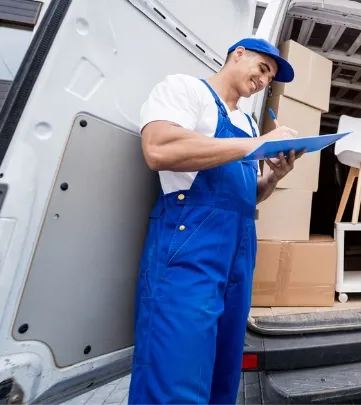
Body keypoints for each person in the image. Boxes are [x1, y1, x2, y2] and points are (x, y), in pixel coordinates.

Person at [128, 37, 304, 404]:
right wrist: (254, 147)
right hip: (189, 242)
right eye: (262, 69)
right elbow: (159, 148)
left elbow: (247, 194)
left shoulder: (248, 124)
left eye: (269, 78)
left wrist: (273, 176)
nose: (263, 82)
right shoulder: (185, 89)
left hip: (239, 248)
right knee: (175, 369)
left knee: (223, 374)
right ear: (238, 55)